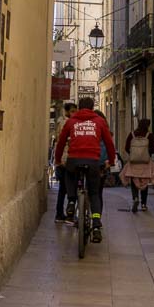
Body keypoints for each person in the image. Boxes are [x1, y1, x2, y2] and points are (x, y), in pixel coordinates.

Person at [54, 97, 116, 243]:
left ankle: (70, 201)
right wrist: (111, 161)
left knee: (69, 175)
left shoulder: (71, 121)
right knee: (94, 193)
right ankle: (95, 225)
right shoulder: (99, 121)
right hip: (93, 161)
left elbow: (61, 143)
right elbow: (109, 144)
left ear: (80, 108)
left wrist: (57, 160)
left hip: (74, 160)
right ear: (92, 108)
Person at [122, 118, 154, 213]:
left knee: (134, 181)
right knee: (144, 183)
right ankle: (144, 204)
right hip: (145, 163)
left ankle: (135, 198)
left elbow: (126, 148)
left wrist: (133, 154)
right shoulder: (149, 135)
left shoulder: (132, 134)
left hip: (134, 163)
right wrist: (146, 154)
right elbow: (153, 149)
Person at [54, 102, 77, 223]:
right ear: (67, 111)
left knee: (63, 189)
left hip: (62, 159)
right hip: (67, 159)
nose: (74, 113)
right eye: (72, 111)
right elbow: (62, 142)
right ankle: (69, 215)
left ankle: (59, 213)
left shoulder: (61, 122)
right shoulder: (66, 123)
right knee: (70, 188)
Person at [94, 110, 111, 214]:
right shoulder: (106, 130)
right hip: (102, 165)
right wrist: (109, 161)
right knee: (98, 193)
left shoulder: (89, 129)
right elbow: (110, 147)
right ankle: (97, 219)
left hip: (89, 161)